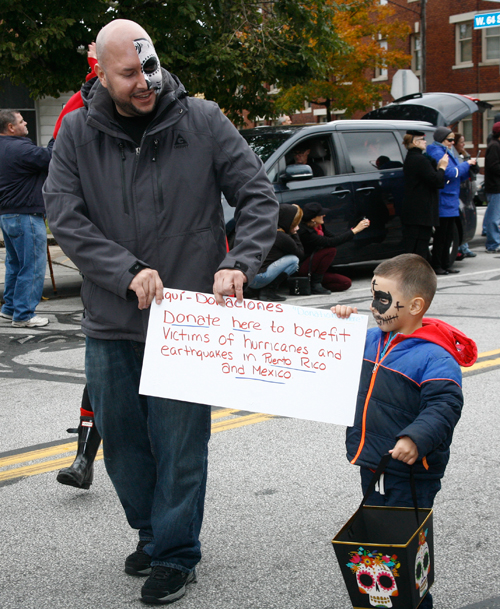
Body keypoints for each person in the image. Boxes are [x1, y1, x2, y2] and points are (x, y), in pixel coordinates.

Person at [43, 18, 279, 606]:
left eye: (149, 68)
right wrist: (125, 272)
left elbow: (258, 195)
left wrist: (241, 262)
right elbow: (66, 218)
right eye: (129, 74)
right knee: (122, 443)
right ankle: (151, 533)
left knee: (179, 445)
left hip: (189, 319)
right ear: (100, 70)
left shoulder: (201, 120)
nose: (145, 82)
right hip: (111, 318)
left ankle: (176, 554)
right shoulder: (75, 131)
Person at [333, 253, 477, 609]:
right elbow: (327, 359)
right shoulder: (370, 339)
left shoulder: (435, 357)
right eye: (372, 296)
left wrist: (415, 437)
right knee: (382, 546)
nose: (374, 306)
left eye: (382, 299)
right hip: (375, 464)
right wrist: (339, 326)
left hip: (412, 473)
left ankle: (413, 603)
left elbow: (444, 405)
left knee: (403, 554)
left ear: (414, 305)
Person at [53, 43, 101, 490]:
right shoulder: (74, 113)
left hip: (173, 269)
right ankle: (83, 458)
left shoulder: (161, 104)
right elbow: (60, 179)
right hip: (106, 264)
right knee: (104, 369)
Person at [0, 110, 53, 327]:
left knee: (15, 264)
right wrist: (58, 136)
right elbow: (50, 158)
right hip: (26, 214)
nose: (26, 123)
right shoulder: (20, 147)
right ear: (11, 127)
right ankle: (23, 314)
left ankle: (9, 308)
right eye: (21, 121)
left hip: (7, 214)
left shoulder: (5, 147)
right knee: (31, 265)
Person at [426, 127, 475, 275]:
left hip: (452, 197)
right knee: (441, 235)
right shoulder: (436, 151)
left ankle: (446, 263)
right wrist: (466, 165)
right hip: (444, 197)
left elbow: (456, 173)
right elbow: (449, 172)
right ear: (441, 139)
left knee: (449, 234)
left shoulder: (447, 151)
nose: (452, 142)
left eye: (453, 140)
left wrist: (469, 169)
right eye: (449, 140)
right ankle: (437, 264)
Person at [297, 201, 369, 294]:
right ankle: (315, 283)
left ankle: (311, 286)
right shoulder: (304, 232)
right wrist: (355, 230)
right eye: (321, 214)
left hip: (316, 268)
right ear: (313, 218)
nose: (324, 215)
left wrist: (353, 230)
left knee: (345, 283)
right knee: (330, 250)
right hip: (305, 266)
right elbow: (330, 242)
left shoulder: (319, 225)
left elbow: (334, 238)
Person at [401, 130, 448, 261]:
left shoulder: (412, 158)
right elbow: (436, 181)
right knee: (419, 246)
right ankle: (415, 275)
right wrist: (442, 167)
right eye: (422, 139)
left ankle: (413, 273)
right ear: (415, 142)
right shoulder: (419, 160)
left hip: (414, 209)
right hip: (421, 210)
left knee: (413, 245)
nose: (425, 142)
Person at [245, 204, 303, 302]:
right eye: (295, 223)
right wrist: (294, 234)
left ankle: (255, 290)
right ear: (287, 220)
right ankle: (268, 292)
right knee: (294, 260)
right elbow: (300, 253)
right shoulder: (281, 237)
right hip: (259, 278)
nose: (297, 227)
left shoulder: (264, 230)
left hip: (247, 277)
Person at [453, 133, 477, 259]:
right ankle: (459, 248)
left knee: (464, 217)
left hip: (464, 190)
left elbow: (473, 169)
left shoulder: (462, 155)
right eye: (461, 142)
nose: (463, 144)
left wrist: (466, 154)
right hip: (458, 190)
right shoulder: (452, 156)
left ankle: (464, 247)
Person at [483, 121, 500, 253]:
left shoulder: (495, 145)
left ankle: (494, 242)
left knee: (494, 216)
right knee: (493, 217)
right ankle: (493, 244)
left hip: (496, 185)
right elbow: (493, 166)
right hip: (495, 186)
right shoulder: (494, 146)